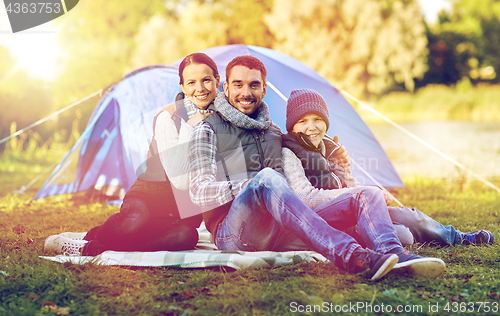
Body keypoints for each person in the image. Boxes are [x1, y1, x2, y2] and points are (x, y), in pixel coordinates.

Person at [188, 55, 445, 280]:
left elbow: (304, 154)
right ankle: (352, 256)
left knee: (367, 194)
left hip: (280, 226)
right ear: (226, 87)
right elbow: (197, 192)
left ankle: (394, 254)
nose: (246, 92)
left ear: (264, 89)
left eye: (254, 84)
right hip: (234, 233)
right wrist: (252, 185)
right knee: (266, 178)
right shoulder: (207, 129)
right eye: (238, 84)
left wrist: (334, 159)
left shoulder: (274, 131)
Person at [44, 52, 220, 256]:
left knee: (186, 237)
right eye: (191, 82)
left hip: (182, 215)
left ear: (217, 80)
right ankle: (86, 246)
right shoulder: (168, 117)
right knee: (135, 219)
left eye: (206, 80)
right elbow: (180, 180)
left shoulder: (224, 121)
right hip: (148, 198)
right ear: (183, 87)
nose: (199, 88)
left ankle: (93, 236)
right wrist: (193, 124)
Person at [281, 88, 494, 248]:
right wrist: (364, 195)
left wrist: (370, 193)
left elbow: (350, 182)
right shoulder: (289, 153)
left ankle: (457, 236)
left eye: (318, 119)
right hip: (326, 220)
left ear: (326, 122)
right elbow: (305, 197)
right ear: (292, 126)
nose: (312, 127)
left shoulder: (331, 148)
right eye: (303, 121)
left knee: (411, 217)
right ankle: (384, 239)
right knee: (404, 237)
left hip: (356, 208)